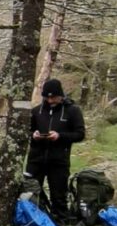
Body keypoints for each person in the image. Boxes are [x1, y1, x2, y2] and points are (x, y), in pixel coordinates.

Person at [26, 78, 85, 218]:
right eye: (48, 97)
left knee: (59, 197)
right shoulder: (36, 111)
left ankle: (60, 225)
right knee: (29, 194)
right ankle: (31, 223)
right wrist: (33, 135)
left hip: (59, 161)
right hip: (36, 160)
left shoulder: (73, 111)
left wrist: (60, 136)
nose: (51, 101)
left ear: (61, 95)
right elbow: (26, 131)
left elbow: (80, 134)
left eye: (54, 97)